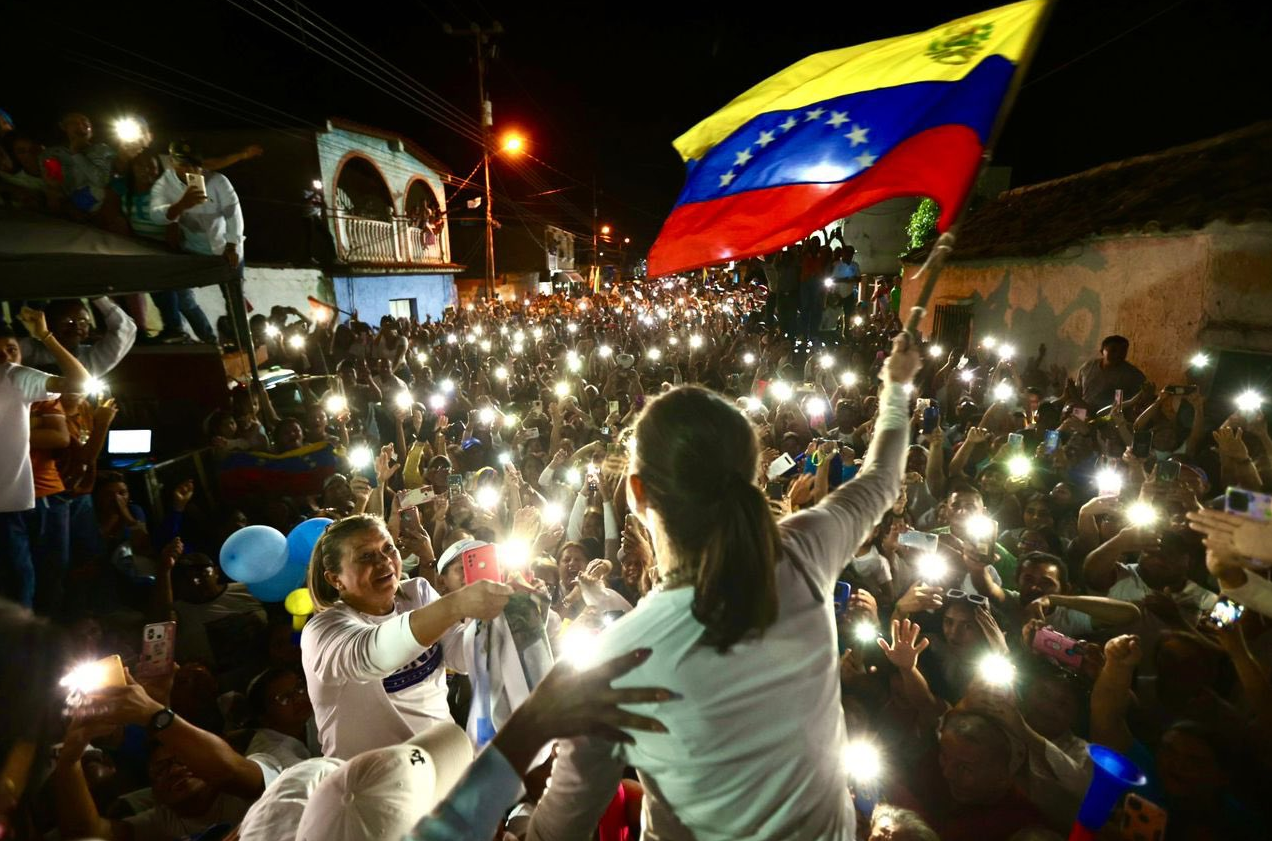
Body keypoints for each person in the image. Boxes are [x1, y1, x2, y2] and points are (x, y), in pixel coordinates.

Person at [527, 334, 919, 841]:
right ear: (753, 473)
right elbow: (885, 477)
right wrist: (898, 386)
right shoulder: (802, 550)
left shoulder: (615, 661)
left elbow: (557, 832)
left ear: (637, 493)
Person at [300, 514, 513, 758]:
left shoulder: (417, 593)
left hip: (444, 764)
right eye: (365, 556)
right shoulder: (323, 630)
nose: (383, 561)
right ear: (335, 578)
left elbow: (462, 658)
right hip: (374, 782)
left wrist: (496, 614)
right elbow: (372, 655)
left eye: (388, 548)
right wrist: (456, 604)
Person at [1, 310, 92, 609]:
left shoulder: (18, 378)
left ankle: (48, 643)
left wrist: (46, 335)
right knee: (20, 582)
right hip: (8, 506)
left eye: (11, 349)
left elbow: (78, 384)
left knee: (51, 576)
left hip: (40, 496)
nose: (5, 357)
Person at [149, 139, 242, 344]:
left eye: (195, 164)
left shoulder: (218, 181)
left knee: (234, 299)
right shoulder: (165, 185)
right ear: (172, 162)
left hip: (226, 249)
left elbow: (233, 214)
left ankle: (242, 341)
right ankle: (209, 340)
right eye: (184, 164)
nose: (191, 169)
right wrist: (180, 205)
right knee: (184, 300)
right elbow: (155, 214)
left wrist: (232, 245)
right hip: (193, 251)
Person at [18, 297, 137, 377]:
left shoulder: (90, 360)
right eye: (68, 321)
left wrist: (97, 297)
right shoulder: (27, 350)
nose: (76, 327)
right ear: (47, 323)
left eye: (83, 321)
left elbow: (126, 330)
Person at [1075, 335, 1145, 410]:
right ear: (1102, 351)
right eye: (1113, 350)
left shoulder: (1132, 375)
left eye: (1123, 351)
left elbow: (1136, 401)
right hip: (1083, 412)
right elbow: (1078, 393)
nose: (1118, 354)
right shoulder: (1087, 368)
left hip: (1109, 417)